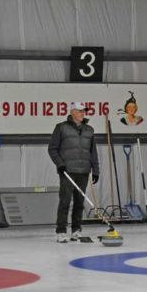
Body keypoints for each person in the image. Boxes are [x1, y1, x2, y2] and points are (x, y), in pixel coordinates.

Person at [48, 102, 100, 242]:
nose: (83, 113)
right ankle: (61, 231)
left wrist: (95, 170)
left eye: (84, 111)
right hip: (68, 171)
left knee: (79, 202)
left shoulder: (89, 130)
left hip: (84, 171)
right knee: (65, 201)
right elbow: (52, 149)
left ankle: (76, 230)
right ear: (72, 112)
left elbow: (93, 152)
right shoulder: (61, 128)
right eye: (80, 111)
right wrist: (60, 164)